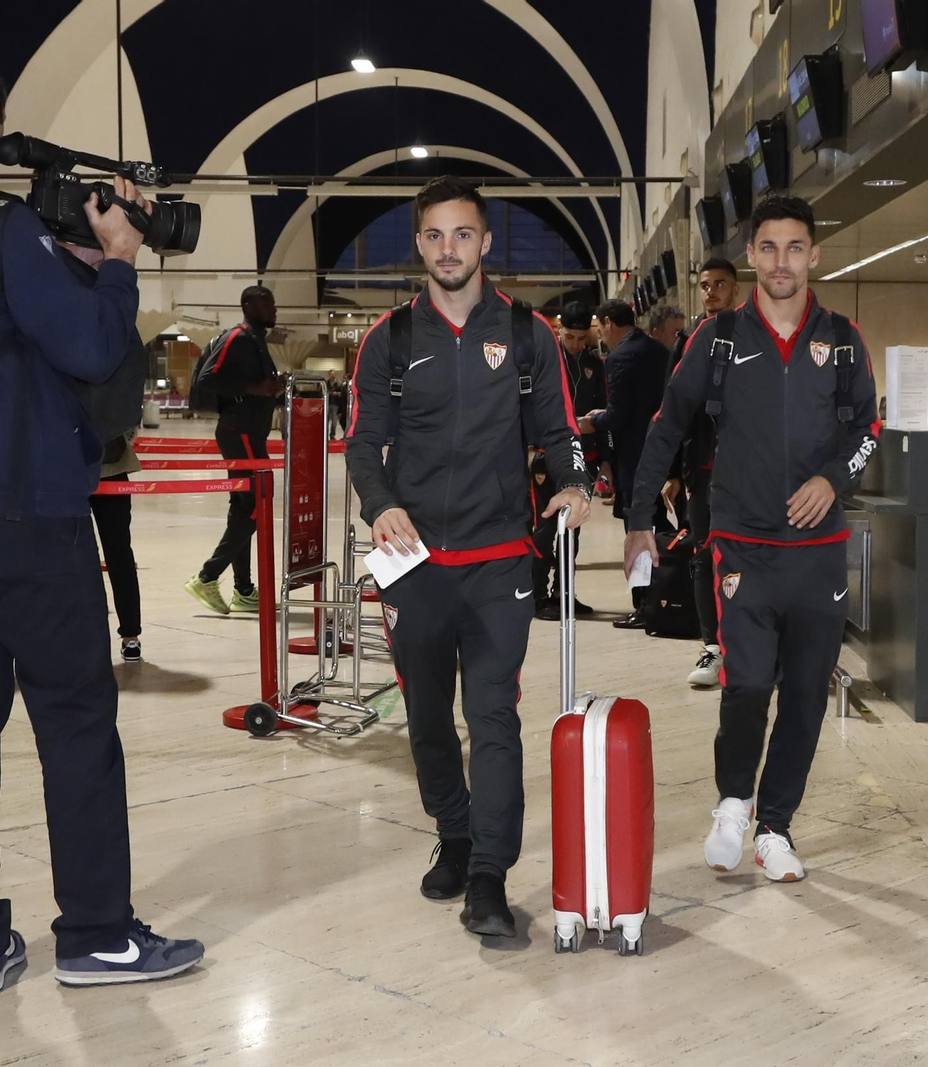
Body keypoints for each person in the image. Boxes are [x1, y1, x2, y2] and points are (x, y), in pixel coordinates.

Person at [0, 51, 201, 995]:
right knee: (74, 720)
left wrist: (74, 268)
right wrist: (121, 266)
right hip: (23, 510)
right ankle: (97, 933)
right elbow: (96, 349)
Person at [346, 176, 591, 939]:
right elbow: (361, 441)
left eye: (463, 234)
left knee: (491, 716)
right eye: (434, 235)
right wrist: (379, 502)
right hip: (413, 563)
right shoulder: (388, 339)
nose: (449, 249)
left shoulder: (527, 334)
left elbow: (559, 430)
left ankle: (489, 871)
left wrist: (577, 482)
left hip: (497, 562)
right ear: (418, 243)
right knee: (426, 718)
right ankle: (453, 832)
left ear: (486, 242)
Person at [624, 195, 880, 884]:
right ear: (752, 256)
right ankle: (734, 802)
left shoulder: (843, 339)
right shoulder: (720, 338)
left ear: (814, 255)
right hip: (742, 546)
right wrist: (638, 517)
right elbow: (667, 423)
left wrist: (834, 479)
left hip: (818, 551)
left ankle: (776, 827)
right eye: (767, 249)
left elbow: (868, 431)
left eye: (795, 248)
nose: (781, 263)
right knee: (746, 684)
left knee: (803, 693)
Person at [184, 286, 283, 616]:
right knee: (255, 506)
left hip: (250, 433)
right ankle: (207, 577)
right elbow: (208, 380)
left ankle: (243, 589)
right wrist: (254, 388)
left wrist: (271, 388)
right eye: (266, 302)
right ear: (247, 305)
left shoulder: (256, 340)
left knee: (243, 509)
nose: (274, 308)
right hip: (238, 432)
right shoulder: (238, 338)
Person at [578, 299, 669, 629]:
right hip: (663, 452)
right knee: (660, 527)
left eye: (599, 326)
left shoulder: (619, 357)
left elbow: (619, 415)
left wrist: (593, 421)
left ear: (607, 323)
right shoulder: (658, 351)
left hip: (634, 458)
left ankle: (643, 605)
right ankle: (665, 596)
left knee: (638, 530)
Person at [679, 258, 740, 687]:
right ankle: (711, 649)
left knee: (745, 557)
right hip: (702, 470)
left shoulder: (752, 337)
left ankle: (745, 646)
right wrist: (670, 473)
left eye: (719, 284)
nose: (710, 292)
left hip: (746, 473)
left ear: (735, 289)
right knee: (703, 558)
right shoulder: (688, 341)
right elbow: (672, 412)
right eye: (704, 285)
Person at [530, 301, 604, 620]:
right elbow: (528, 405)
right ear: (560, 331)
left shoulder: (594, 365)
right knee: (544, 529)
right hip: (546, 456)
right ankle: (535, 595)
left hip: (582, 457)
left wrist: (604, 459)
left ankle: (564, 594)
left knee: (572, 531)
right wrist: (531, 450)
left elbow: (604, 409)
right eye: (570, 337)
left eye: (580, 338)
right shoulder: (544, 359)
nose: (576, 344)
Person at [91, 430, 143, 661]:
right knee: (118, 553)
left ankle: (130, 633)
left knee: (117, 554)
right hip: (100, 465)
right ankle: (129, 636)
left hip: (101, 465)